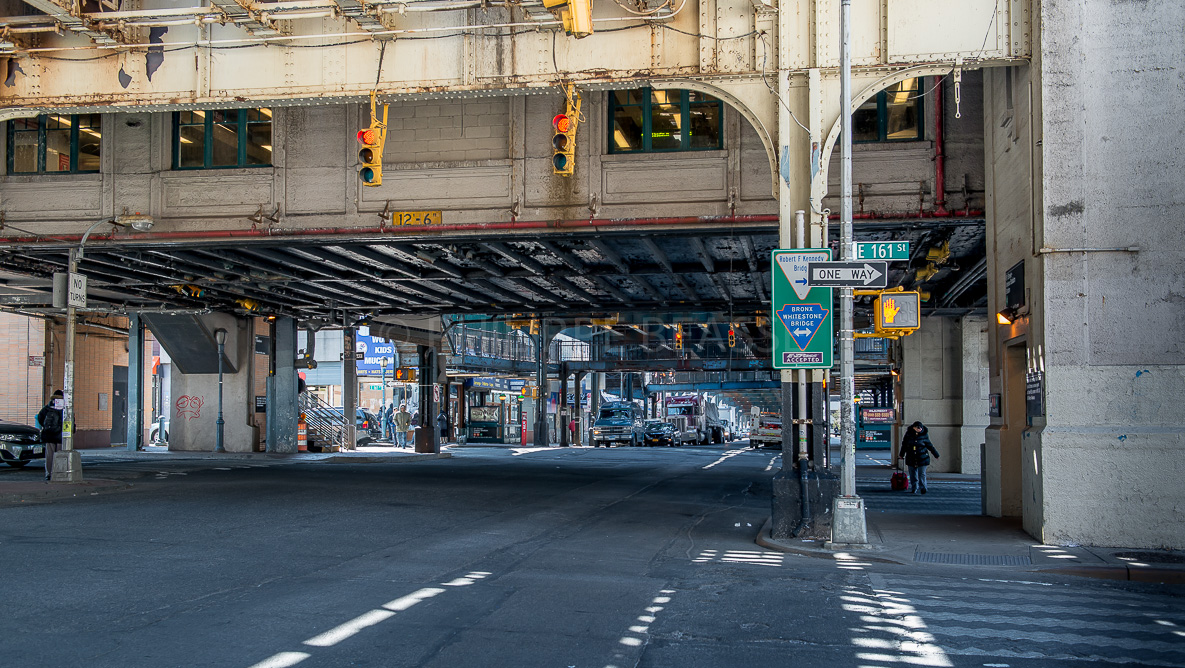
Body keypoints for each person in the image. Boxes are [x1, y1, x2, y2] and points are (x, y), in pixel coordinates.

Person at [901, 421, 940, 494]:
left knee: (921, 473)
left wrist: (936, 454)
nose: (920, 429)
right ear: (914, 428)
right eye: (918, 428)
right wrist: (901, 454)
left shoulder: (924, 435)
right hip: (911, 457)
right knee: (912, 473)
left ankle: (923, 488)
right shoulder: (908, 435)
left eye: (920, 428)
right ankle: (914, 487)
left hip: (922, 457)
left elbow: (930, 446)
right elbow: (904, 445)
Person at [37, 390, 64, 481]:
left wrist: (46, 427)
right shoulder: (64, 407)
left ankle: (48, 473)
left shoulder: (47, 407)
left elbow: (40, 418)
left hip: (49, 435)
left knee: (49, 455)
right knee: (60, 454)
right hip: (60, 435)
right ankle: (59, 472)